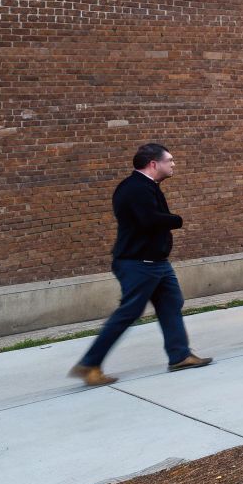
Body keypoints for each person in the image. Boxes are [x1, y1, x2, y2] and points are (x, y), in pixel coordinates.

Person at [70, 143, 213, 386]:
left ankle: (180, 356)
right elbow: (149, 221)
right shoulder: (135, 189)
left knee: (171, 302)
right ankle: (89, 364)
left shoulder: (147, 186)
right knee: (128, 312)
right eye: (170, 160)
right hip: (139, 263)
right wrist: (176, 220)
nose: (173, 164)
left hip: (156, 262)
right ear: (154, 164)